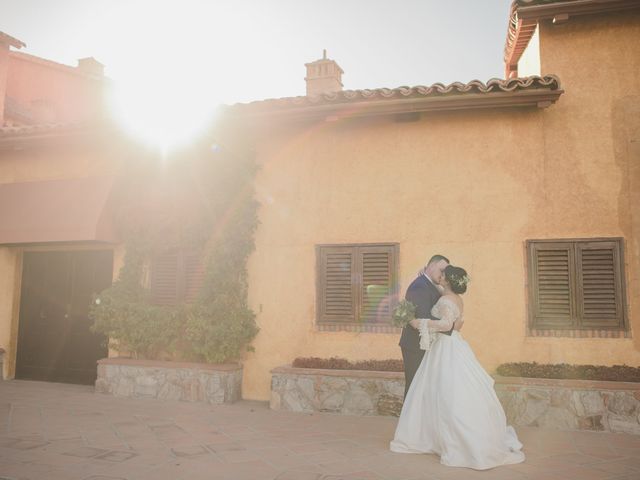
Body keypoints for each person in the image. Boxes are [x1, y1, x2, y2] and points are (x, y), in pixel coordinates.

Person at [390, 265, 525, 470]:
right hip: (455, 345)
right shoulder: (456, 299)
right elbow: (455, 320)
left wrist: (418, 322)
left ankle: (452, 438)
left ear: (448, 280)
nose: (440, 276)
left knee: (445, 391)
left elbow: (445, 325)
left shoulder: (445, 300)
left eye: (443, 274)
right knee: (450, 390)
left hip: (445, 347)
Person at [399, 254, 449, 398]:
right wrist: (449, 325)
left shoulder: (430, 284)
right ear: (431, 266)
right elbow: (423, 317)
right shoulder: (420, 286)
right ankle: (408, 420)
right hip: (415, 346)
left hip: (423, 344)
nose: (443, 275)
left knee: (423, 388)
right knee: (414, 387)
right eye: (441, 270)